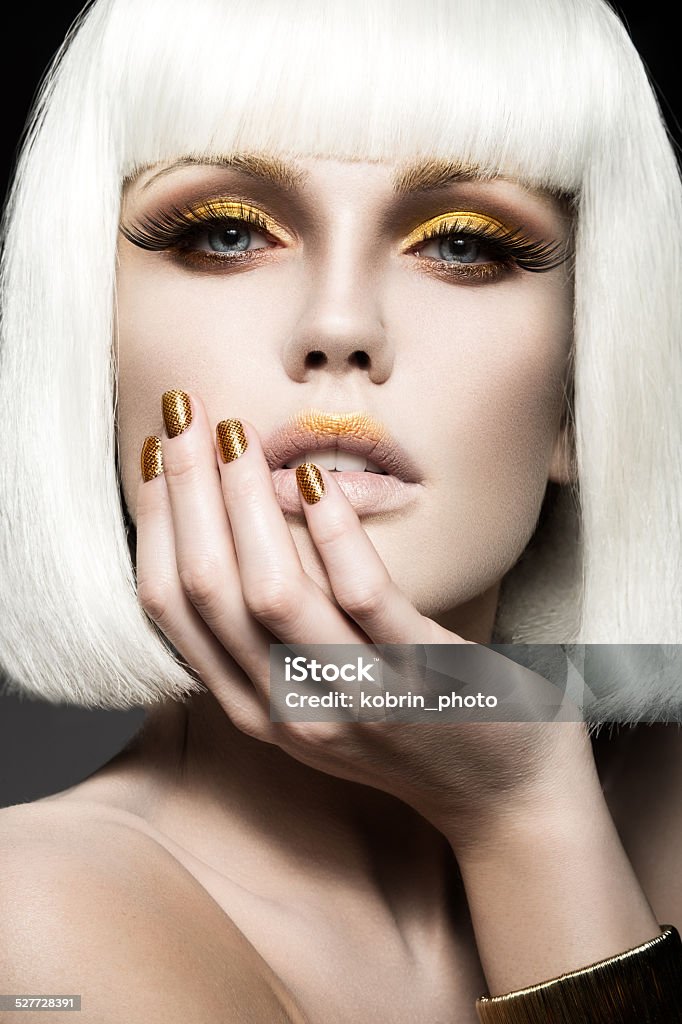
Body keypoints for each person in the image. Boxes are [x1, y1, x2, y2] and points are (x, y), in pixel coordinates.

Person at [0, 1, 681, 1021]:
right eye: (224, 232)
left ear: (584, 388)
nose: (337, 326)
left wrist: (532, 811)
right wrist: (521, 808)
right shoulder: (33, 924)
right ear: (91, 354)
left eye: (461, 246)